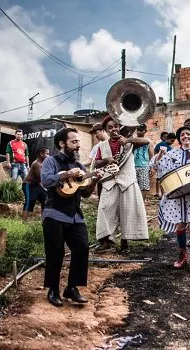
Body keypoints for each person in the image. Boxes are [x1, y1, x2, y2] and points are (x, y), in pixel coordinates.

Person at [40, 128, 103, 307]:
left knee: (82, 248)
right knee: (55, 252)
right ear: (62, 144)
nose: (78, 145)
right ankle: (53, 289)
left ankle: (72, 288)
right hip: (54, 214)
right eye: (74, 142)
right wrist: (68, 174)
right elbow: (46, 181)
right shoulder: (51, 161)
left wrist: (95, 180)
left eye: (78, 142)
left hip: (75, 215)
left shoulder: (82, 167)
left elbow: (84, 194)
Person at [152, 125, 190, 268]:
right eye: (182, 135)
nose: (185, 137)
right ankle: (182, 256)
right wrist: (160, 154)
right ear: (179, 138)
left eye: (188, 134)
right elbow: (156, 165)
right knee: (180, 224)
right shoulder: (172, 154)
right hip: (177, 194)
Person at [93, 116, 149, 253]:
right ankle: (106, 241)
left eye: (116, 126)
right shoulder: (101, 146)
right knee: (105, 210)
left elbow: (146, 141)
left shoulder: (129, 142)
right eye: (110, 127)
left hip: (127, 181)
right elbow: (96, 163)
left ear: (119, 127)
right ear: (106, 130)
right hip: (109, 182)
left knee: (127, 212)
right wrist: (106, 160)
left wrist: (128, 140)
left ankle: (125, 244)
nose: (114, 129)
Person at [21, 146, 49, 220]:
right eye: (47, 154)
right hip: (28, 185)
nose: (48, 156)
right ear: (41, 154)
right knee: (30, 201)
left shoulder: (44, 163)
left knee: (46, 199)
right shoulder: (36, 164)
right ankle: (23, 222)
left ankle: (44, 221)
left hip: (37, 185)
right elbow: (42, 178)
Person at [133, 124, 154, 200]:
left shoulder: (148, 141)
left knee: (144, 187)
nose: (139, 131)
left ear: (145, 131)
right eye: (137, 129)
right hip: (133, 166)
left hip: (144, 166)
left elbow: (151, 155)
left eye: (141, 130)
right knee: (134, 187)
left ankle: (142, 203)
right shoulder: (133, 140)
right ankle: (135, 203)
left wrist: (151, 167)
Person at [154, 132, 170, 198]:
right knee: (158, 179)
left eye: (166, 137)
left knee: (163, 179)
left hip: (165, 165)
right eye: (164, 137)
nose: (165, 138)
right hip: (159, 164)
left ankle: (163, 193)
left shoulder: (168, 146)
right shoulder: (159, 145)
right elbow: (155, 151)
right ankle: (157, 192)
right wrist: (155, 162)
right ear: (161, 138)